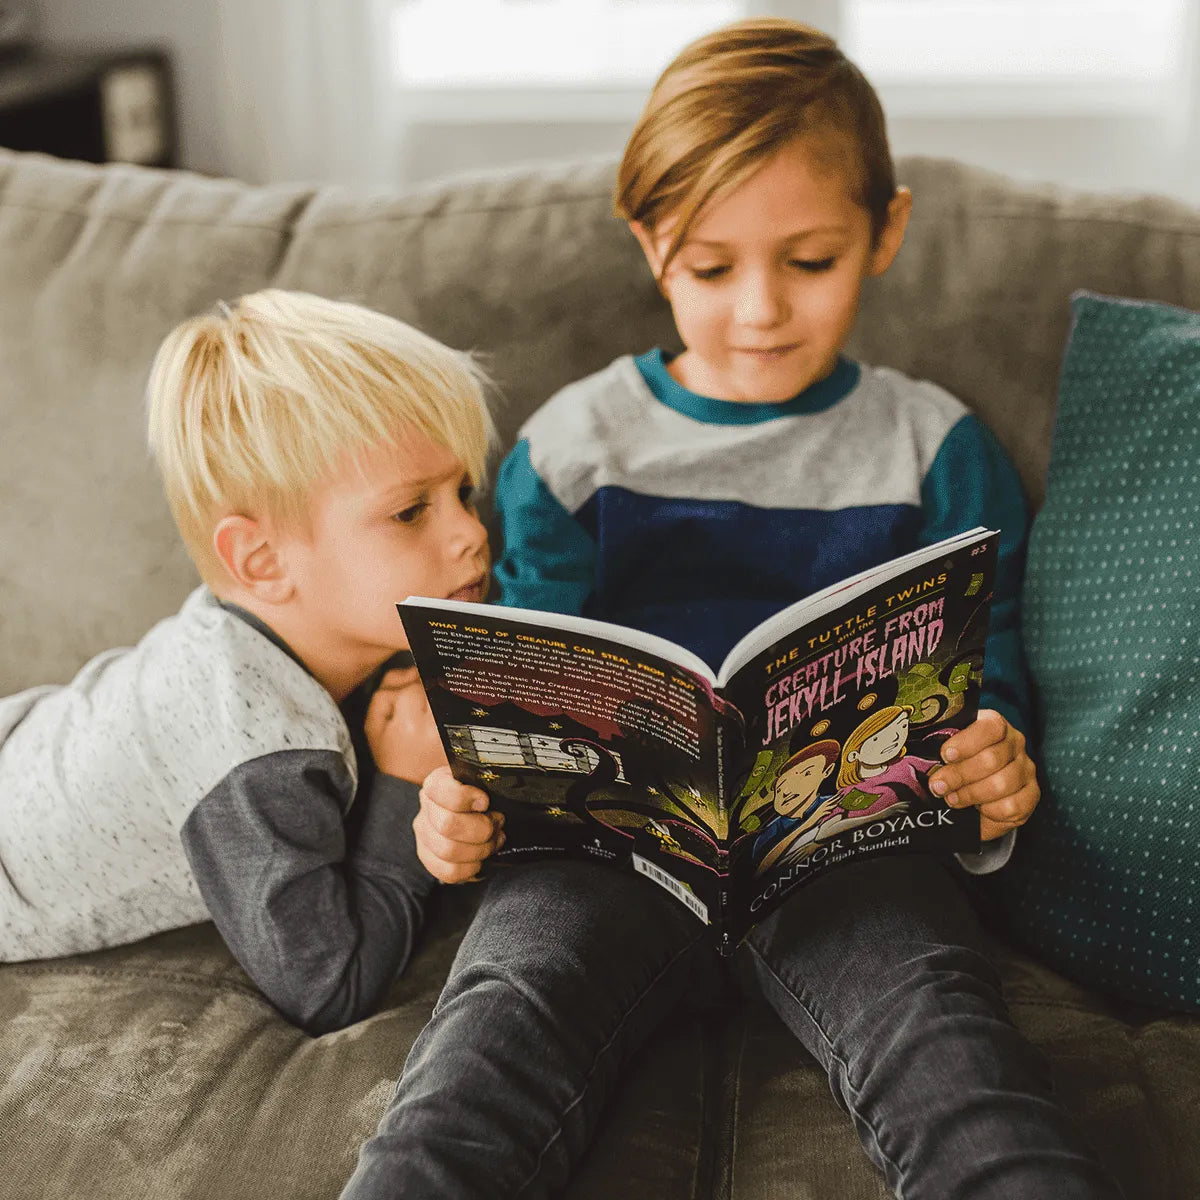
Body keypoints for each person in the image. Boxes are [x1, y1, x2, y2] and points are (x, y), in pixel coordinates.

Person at [342, 20, 1122, 1198]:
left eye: (809, 261)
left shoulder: (936, 447)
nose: (759, 309)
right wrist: (465, 807)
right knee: (482, 1055)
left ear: (886, 231)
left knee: (954, 1055)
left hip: (851, 860)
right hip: (604, 862)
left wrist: (987, 771)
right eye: (711, 269)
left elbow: (983, 681)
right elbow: (512, 696)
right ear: (649, 242)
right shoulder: (570, 450)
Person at [0, 289, 499, 1036]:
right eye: (410, 511)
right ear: (261, 561)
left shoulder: (280, 634)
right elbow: (328, 985)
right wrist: (399, 786)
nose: (470, 533)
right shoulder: (257, 749)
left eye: (463, 491)